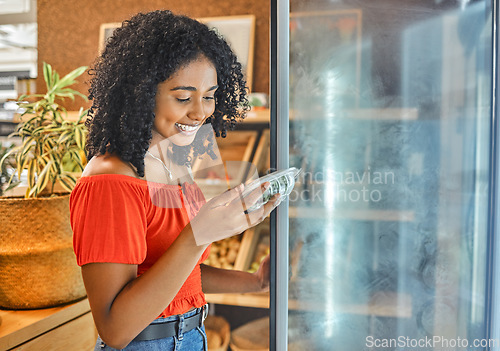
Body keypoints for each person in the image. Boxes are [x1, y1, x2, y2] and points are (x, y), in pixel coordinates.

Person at [70, 10, 281, 351]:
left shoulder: (175, 162)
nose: (200, 113)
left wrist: (255, 282)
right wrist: (200, 234)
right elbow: (115, 329)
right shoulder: (110, 183)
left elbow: (176, 274)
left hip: (192, 337)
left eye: (209, 95)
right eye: (183, 98)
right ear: (140, 94)